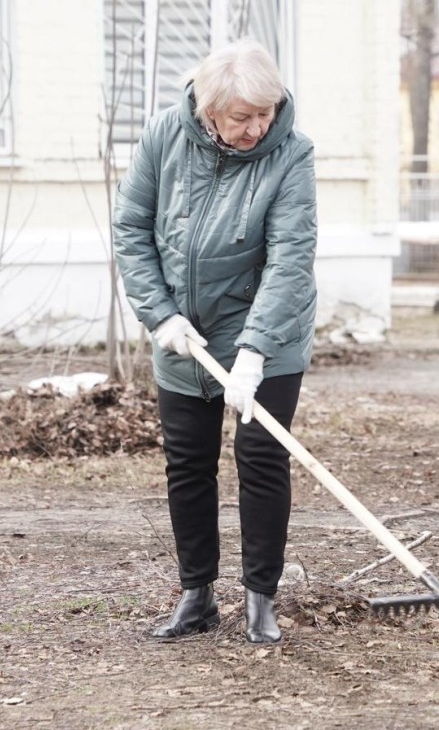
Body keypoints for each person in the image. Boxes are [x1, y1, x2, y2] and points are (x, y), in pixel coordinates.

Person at [112, 39, 317, 644]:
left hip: (267, 333)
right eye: (242, 118)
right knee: (189, 463)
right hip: (184, 334)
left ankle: (260, 599)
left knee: (259, 460)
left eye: (266, 113)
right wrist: (160, 317)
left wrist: (254, 351)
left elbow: (289, 261)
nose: (258, 127)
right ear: (208, 111)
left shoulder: (293, 155)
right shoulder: (163, 137)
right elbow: (131, 229)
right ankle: (196, 595)